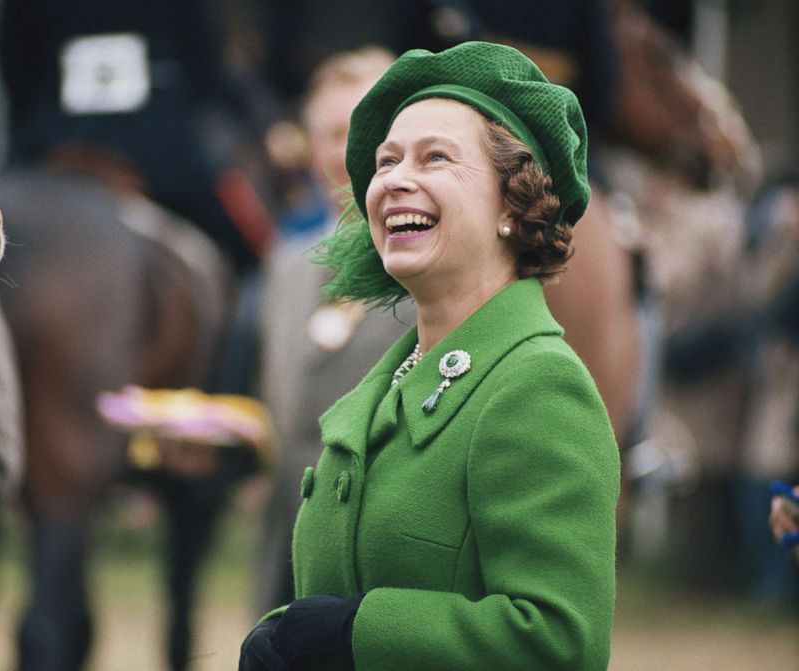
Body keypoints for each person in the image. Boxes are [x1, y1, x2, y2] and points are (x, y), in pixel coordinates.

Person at [239, 41, 620, 670]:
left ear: (511, 203)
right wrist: (284, 634)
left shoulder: (539, 385)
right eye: (387, 161)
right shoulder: (383, 387)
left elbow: (560, 643)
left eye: (435, 157)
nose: (393, 179)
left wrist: (355, 632)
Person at [255, 46, 416, 614]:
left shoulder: (438, 270)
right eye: (329, 133)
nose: (347, 152)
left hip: (387, 582)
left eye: (365, 130)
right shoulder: (284, 263)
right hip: (283, 567)